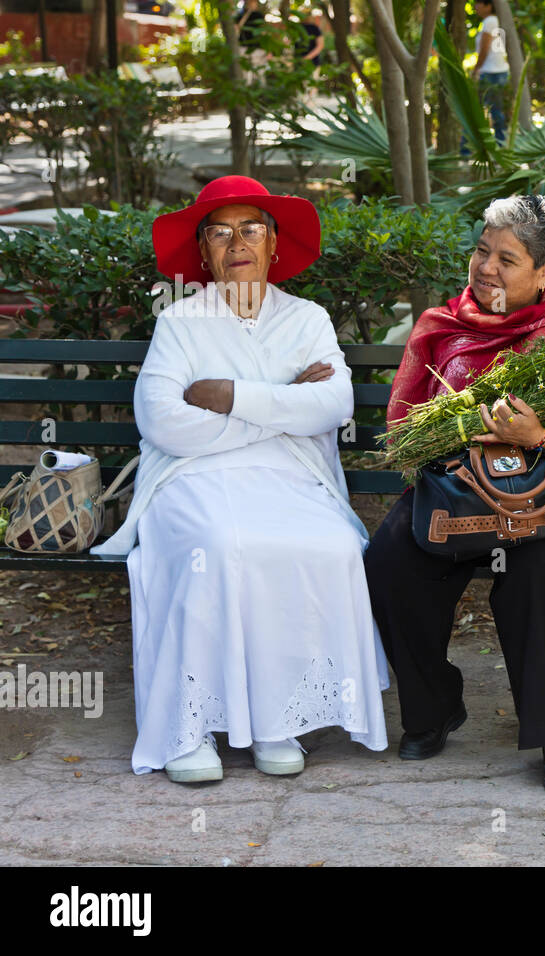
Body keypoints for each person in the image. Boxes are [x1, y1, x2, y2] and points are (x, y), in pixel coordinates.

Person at [91, 175, 389, 783]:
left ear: (274, 241)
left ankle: (279, 718)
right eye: (219, 232)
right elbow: (165, 424)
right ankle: (188, 727)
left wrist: (228, 395)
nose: (237, 243)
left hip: (292, 475)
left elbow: (331, 407)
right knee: (217, 546)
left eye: (251, 228)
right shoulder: (179, 322)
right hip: (190, 475)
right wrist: (280, 410)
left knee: (327, 546)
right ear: (202, 251)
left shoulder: (308, 318)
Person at [365, 195, 545, 792]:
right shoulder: (437, 327)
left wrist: (539, 435)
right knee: (392, 558)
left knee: (535, 571)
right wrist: (453, 434)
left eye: (507, 258)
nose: (486, 267)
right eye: (482, 251)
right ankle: (433, 707)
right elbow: (401, 428)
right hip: (455, 493)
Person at [469, 0, 509, 146]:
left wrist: (476, 69)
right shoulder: (491, 21)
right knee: (494, 110)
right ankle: (498, 144)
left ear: (489, 6)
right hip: (496, 71)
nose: (475, 7)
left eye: (479, 3)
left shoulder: (490, 21)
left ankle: (499, 144)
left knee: (489, 111)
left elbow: (484, 50)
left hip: (492, 72)